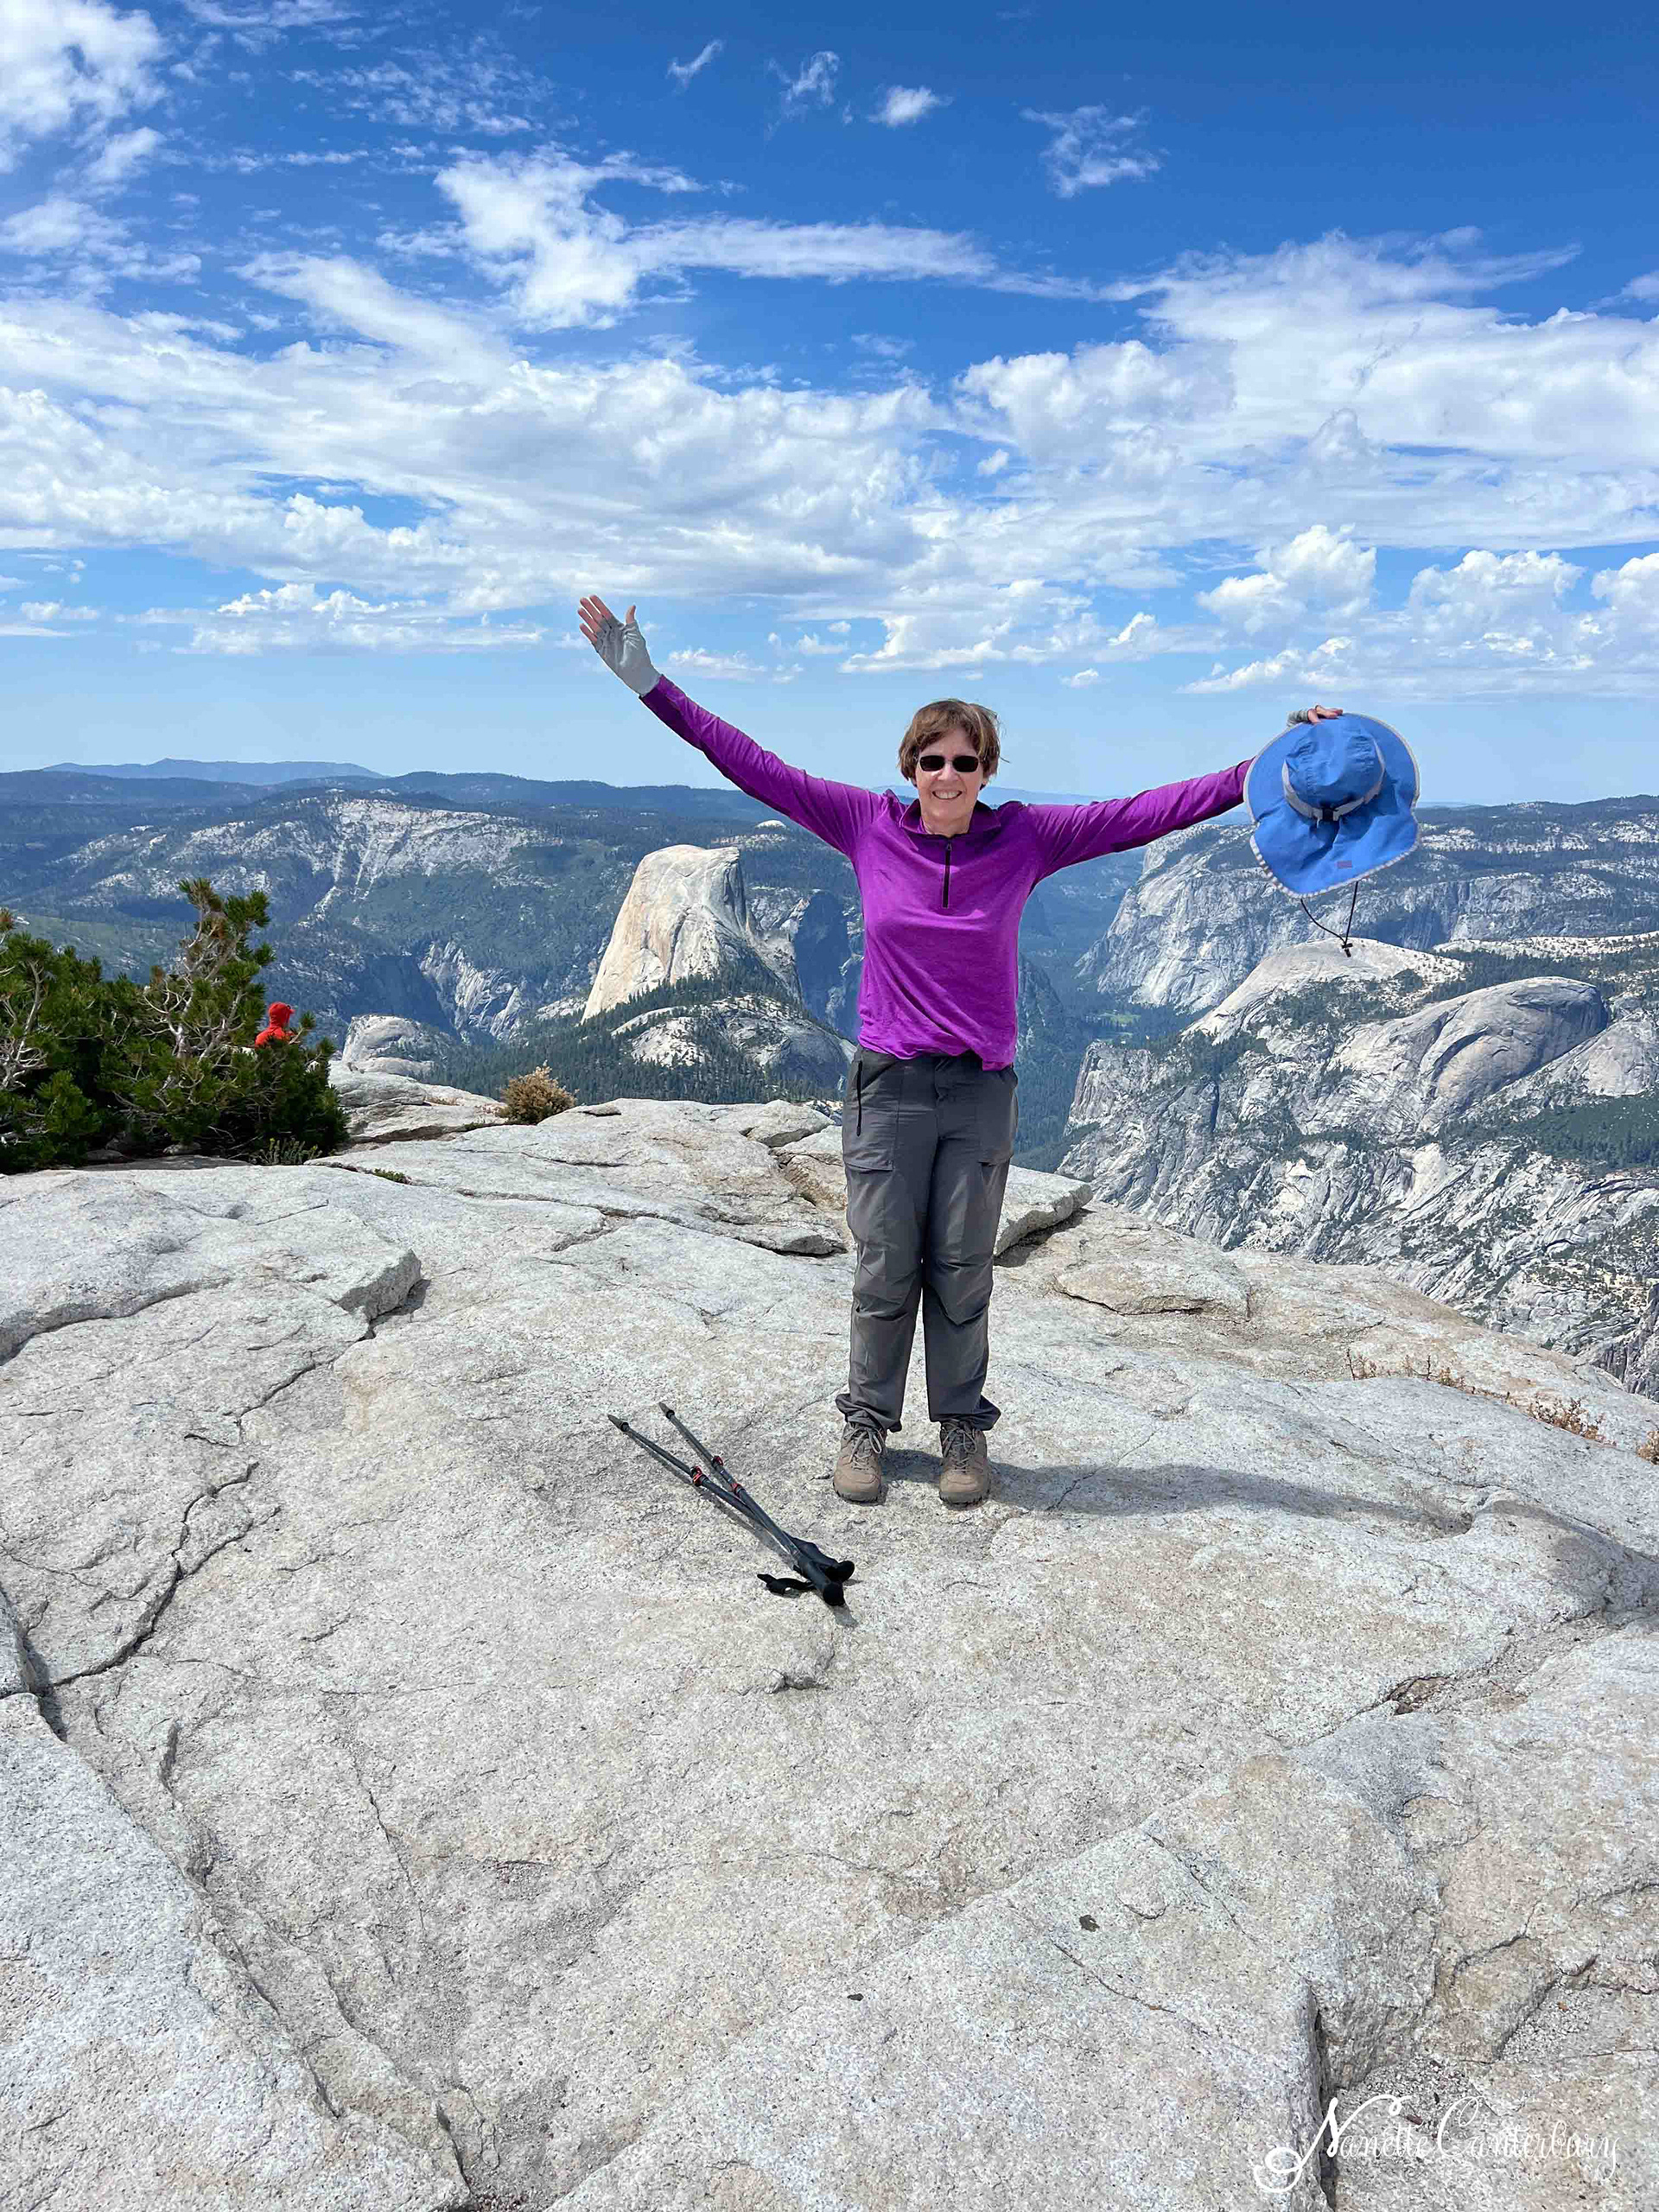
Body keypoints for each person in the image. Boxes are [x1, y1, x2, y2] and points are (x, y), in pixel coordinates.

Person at [580, 594, 1338, 1510]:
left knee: (963, 1267)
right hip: (889, 1087)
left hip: (980, 1093)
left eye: (965, 762)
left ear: (985, 771)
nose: (948, 775)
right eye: (933, 761)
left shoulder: (1026, 837)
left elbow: (1158, 809)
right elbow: (747, 762)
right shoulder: (865, 825)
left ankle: (963, 1431)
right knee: (883, 1263)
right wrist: (649, 685)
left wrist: (1282, 754)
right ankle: (865, 1422)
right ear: (911, 767)